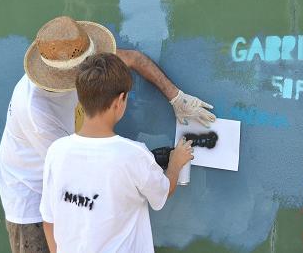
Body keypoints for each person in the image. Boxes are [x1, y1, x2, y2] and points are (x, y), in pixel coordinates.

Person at [0, 16, 215, 253]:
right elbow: (82, 170)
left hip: (70, 197)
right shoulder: (35, 111)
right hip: (30, 195)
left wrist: (176, 97)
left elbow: (132, 58)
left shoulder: (86, 64)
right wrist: (154, 164)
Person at [40, 53, 193, 252]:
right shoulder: (133, 155)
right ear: (120, 100)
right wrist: (175, 163)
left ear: (80, 96)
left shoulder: (56, 151)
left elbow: (49, 221)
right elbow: (163, 192)